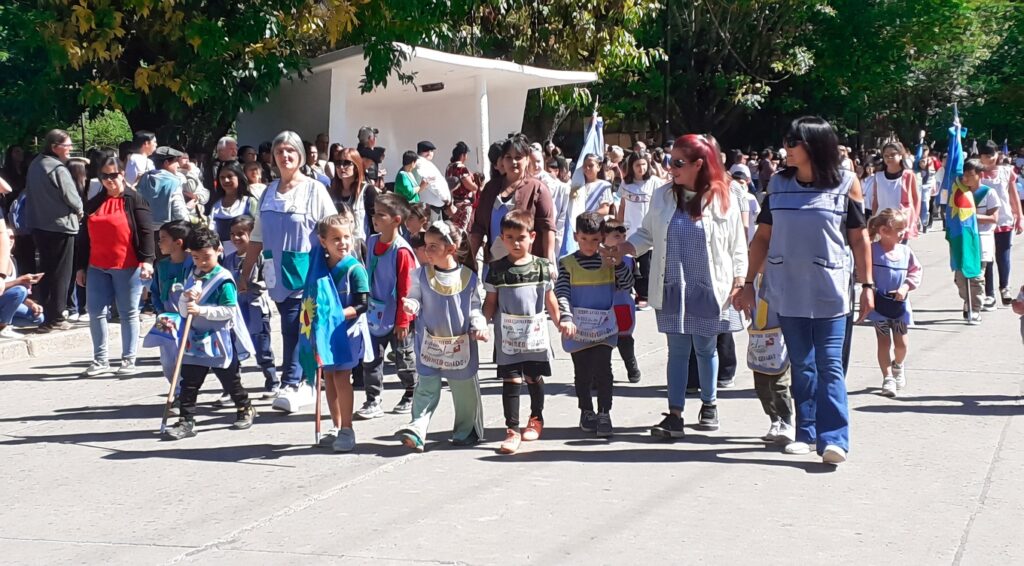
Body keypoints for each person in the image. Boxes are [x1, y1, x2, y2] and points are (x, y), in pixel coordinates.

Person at [736, 116, 873, 466]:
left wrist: (868, 285)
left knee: (830, 364)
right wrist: (748, 282)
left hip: (831, 290)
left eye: (793, 142)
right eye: (786, 141)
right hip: (787, 289)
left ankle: (835, 438)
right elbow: (762, 237)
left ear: (814, 145)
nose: (787, 148)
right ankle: (806, 432)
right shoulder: (778, 185)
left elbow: (859, 238)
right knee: (802, 364)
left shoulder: (846, 184)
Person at [608, 135, 746, 438]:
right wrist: (626, 248)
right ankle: (675, 414)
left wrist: (740, 280)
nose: (671, 168)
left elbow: (738, 244)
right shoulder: (662, 195)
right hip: (673, 286)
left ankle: (709, 404)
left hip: (709, 287)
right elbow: (647, 233)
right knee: (678, 351)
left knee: (706, 348)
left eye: (678, 162)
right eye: (670, 161)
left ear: (699, 164)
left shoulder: (724, 196)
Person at [239, 130, 338, 413]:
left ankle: (293, 382)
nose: (285, 156)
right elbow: (257, 237)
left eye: (290, 151)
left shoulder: (314, 189)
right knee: (292, 324)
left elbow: (332, 229)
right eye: (280, 151)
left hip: (306, 270)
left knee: (295, 325)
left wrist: (339, 268)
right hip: (276, 272)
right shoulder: (268, 192)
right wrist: (245, 273)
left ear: (301, 156)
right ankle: (305, 379)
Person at [396, 220, 486, 452]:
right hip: (430, 344)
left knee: (464, 391)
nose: (427, 251)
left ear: (451, 249)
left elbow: (474, 307)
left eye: (433, 246)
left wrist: (478, 325)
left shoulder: (468, 277)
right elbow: (415, 297)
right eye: (426, 245)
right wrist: (411, 305)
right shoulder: (421, 275)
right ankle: (417, 429)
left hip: (459, 345)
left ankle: (466, 431)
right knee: (426, 387)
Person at [163, 226, 257, 440]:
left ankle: (244, 407)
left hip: (219, 340)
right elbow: (184, 310)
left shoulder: (223, 279)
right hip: (194, 339)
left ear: (218, 250)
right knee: (189, 382)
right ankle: (186, 421)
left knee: (230, 380)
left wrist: (201, 310)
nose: (202, 262)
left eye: (206, 257)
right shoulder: (193, 274)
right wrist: (185, 300)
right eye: (196, 258)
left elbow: (229, 311)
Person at [483, 210, 562, 455]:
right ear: (502, 238)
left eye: (521, 237)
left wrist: (560, 323)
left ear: (532, 237)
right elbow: (490, 302)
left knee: (533, 377)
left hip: (534, 337)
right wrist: (481, 324)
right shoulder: (496, 269)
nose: (516, 243)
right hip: (508, 338)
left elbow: (550, 299)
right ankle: (512, 429)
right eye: (510, 238)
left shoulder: (541, 267)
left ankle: (536, 418)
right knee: (511, 380)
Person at [557, 212, 635, 438]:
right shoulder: (567, 263)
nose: (589, 245)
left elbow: (627, 284)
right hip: (578, 328)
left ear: (602, 237)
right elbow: (562, 292)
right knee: (582, 372)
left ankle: (604, 413)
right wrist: (565, 317)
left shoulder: (609, 261)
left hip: (604, 328)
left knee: (604, 371)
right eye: (584, 239)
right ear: (576, 236)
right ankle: (586, 410)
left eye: (594, 240)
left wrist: (618, 265)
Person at [76, 157, 155, 376]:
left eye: (113, 175)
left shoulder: (135, 199)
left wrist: (147, 261)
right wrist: (80, 267)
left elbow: (146, 231)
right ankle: (100, 360)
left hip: (127, 265)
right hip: (97, 265)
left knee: (128, 313)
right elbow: (84, 238)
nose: (109, 180)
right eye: (104, 176)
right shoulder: (94, 202)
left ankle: (129, 360)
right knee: (95, 313)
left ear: (122, 174)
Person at [302, 214, 372, 452]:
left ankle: (347, 429)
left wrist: (338, 314)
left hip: (347, 333)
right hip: (325, 333)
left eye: (346, 237)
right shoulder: (319, 268)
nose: (343, 243)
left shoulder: (355, 269)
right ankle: (336, 425)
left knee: (342, 377)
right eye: (336, 239)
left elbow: (363, 304)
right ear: (323, 241)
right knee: (329, 377)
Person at [358, 193, 418, 418]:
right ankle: (373, 399)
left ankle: (412, 393)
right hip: (375, 313)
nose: (375, 218)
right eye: (374, 213)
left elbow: (406, 288)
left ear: (396, 220)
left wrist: (403, 320)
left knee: (404, 358)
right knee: (371, 358)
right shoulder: (372, 241)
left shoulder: (401, 251)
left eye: (381, 215)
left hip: (398, 315)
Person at [25, 129, 84, 332]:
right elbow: (72, 197)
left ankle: (47, 316)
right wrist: (80, 211)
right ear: (54, 147)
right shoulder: (57, 168)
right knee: (61, 273)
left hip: (39, 225)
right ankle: (57, 317)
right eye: (67, 145)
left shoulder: (35, 164)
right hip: (61, 226)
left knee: (46, 270)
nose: (70, 148)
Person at [470, 135, 557, 266]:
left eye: (518, 157)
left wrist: (549, 263)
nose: (513, 162)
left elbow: (548, 228)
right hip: (495, 263)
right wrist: (469, 261)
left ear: (527, 159)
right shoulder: (490, 188)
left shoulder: (538, 189)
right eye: (508, 157)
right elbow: (478, 227)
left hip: (527, 265)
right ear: (502, 161)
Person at [865, 209, 922, 398]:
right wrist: (869, 287)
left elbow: (915, 271)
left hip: (899, 306)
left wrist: (905, 287)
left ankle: (898, 365)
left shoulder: (905, 252)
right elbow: (862, 271)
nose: (903, 233)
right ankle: (887, 377)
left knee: (901, 344)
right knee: (883, 341)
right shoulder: (872, 250)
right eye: (899, 229)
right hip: (879, 306)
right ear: (883, 231)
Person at [224, 215, 278, 397]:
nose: (236, 238)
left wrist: (252, 284)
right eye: (232, 234)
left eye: (241, 233)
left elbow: (269, 281)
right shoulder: (228, 260)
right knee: (233, 346)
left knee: (261, 345)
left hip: (256, 308)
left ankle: (272, 381)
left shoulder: (261, 257)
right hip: (236, 311)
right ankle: (232, 387)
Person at [746, 273, 794, 443]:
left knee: (779, 383)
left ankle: (786, 422)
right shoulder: (753, 279)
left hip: (780, 337)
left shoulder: (781, 277)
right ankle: (774, 420)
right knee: (761, 385)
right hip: (759, 338)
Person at [977, 141, 1023, 308]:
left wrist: (1019, 216)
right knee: (986, 257)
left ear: (997, 154)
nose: (989, 158)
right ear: (980, 156)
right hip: (984, 220)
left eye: (992, 155)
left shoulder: (1006, 171)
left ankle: (1005, 287)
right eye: (985, 155)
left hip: (1003, 219)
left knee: (1003, 256)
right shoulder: (976, 172)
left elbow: (1013, 195)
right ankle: (989, 294)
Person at [616, 151, 660, 309]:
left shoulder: (654, 182)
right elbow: (622, 206)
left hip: (648, 233)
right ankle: (633, 292)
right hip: (630, 231)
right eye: (637, 165)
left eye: (643, 164)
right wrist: (618, 226)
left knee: (646, 267)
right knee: (631, 265)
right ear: (631, 167)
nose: (641, 168)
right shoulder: (625, 184)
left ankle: (646, 296)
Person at [946, 159, 987, 323]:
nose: (965, 178)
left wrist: (972, 217)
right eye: (964, 174)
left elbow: (995, 217)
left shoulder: (987, 192)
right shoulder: (958, 189)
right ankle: (967, 300)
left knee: (975, 276)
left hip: (980, 240)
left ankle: (975, 308)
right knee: (960, 278)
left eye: (970, 175)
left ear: (979, 175)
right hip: (960, 239)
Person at [602, 219, 642, 383]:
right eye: (617, 236)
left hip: (622, 305)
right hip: (602, 308)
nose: (622, 239)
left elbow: (633, 282)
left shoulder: (628, 259)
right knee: (602, 344)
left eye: (624, 236)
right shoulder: (596, 258)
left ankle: (631, 367)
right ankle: (602, 375)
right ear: (604, 237)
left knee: (625, 340)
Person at [136, 147, 190, 249]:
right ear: (166, 163)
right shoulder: (173, 182)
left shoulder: (143, 178)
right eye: (176, 161)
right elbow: (180, 213)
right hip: (167, 234)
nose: (178, 165)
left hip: (144, 232)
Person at [864, 142, 920, 240]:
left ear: (900, 155)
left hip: (902, 221)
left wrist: (914, 218)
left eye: (893, 154)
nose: (889, 158)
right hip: (883, 221)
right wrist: (874, 219)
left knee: (899, 248)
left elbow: (916, 199)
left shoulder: (908, 175)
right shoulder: (878, 176)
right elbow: (875, 199)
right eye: (886, 155)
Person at [207, 162, 258, 257]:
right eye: (222, 177)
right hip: (223, 258)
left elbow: (259, 230)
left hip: (248, 256)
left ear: (239, 177)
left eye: (230, 176)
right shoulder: (216, 206)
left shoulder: (250, 202)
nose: (226, 180)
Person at [327, 148, 374, 242]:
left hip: (360, 247)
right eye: (338, 163)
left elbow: (375, 224)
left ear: (356, 167)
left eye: (346, 163)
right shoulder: (331, 192)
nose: (341, 167)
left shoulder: (367, 191)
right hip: (337, 246)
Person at [413, 141, 452, 222]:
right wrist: (445, 198)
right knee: (432, 228)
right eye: (431, 151)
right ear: (428, 153)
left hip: (432, 205)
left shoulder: (421, 163)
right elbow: (432, 184)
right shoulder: (422, 164)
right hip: (430, 207)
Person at [446, 141, 479, 231]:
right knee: (462, 229)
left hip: (452, 203)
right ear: (463, 155)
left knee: (454, 229)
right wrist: (476, 186)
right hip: (463, 204)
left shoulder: (449, 167)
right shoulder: (461, 168)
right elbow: (469, 185)